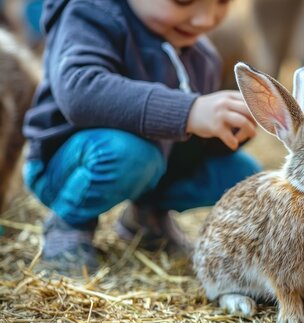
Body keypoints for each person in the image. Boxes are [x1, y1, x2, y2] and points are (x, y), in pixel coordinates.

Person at [23, 0, 261, 276]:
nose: (205, 20)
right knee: (132, 154)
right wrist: (189, 111)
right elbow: (80, 91)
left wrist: (227, 127)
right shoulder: (90, 15)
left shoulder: (201, 53)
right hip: (66, 166)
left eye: (222, 1)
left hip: (150, 164)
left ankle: (147, 217)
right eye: (183, 0)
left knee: (244, 177)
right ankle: (68, 223)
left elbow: (192, 141)